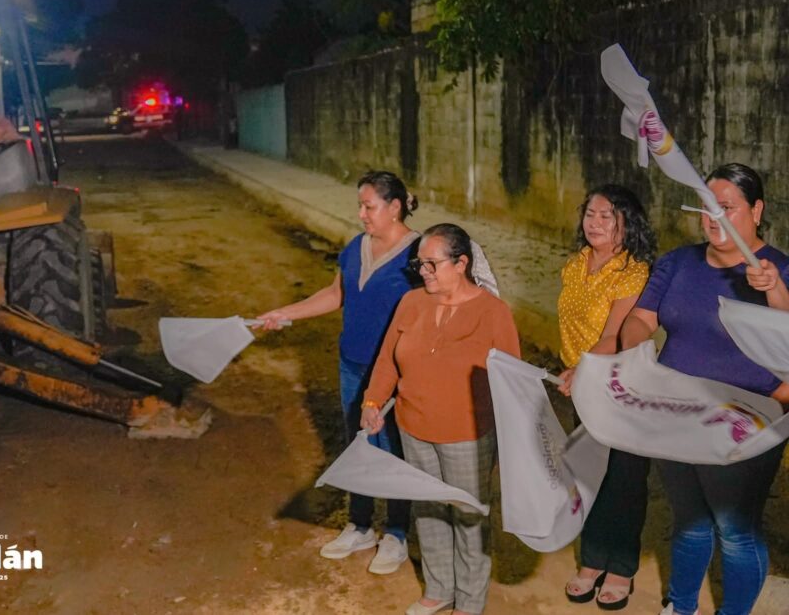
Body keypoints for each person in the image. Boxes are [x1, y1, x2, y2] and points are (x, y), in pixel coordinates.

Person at [260, 171, 498, 576]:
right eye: (360, 206)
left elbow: (451, 304)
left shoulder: (420, 256)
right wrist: (286, 313)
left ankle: (397, 533)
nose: (361, 214)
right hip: (353, 366)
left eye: (369, 206)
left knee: (397, 450)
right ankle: (359, 525)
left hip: (397, 372)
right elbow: (336, 294)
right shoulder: (356, 247)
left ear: (394, 207)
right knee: (359, 443)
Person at [616, 163, 789, 615]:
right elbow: (641, 318)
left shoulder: (778, 270)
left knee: (735, 529)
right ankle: (682, 605)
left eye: (727, 207)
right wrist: (632, 354)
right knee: (690, 519)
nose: (715, 218)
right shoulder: (677, 263)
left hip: (746, 423)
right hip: (674, 413)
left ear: (756, 210)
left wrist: (774, 290)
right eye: (707, 207)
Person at [360, 223, 519, 615]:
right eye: (420, 264)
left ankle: (470, 600)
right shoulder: (411, 302)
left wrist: (515, 441)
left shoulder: (493, 312)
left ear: (461, 263)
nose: (424, 272)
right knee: (428, 510)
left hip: (467, 434)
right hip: (413, 427)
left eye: (432, 264)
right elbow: (387, 360)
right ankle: (439, 588)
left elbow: (513, 381)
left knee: (468, 517)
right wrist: (372, 401)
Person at [555, 185, 656, 610]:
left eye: (607, 216)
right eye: (590, 214)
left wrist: (581, 370)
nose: (594, 223)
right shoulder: (575, 263)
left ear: (627, 223)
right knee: (590, 473)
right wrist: (573, 370)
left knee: (625, 480)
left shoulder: (634, 271)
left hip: (622, 387)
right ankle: (593, 560)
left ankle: (621, 567)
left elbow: (614, 335)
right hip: (584, 389)